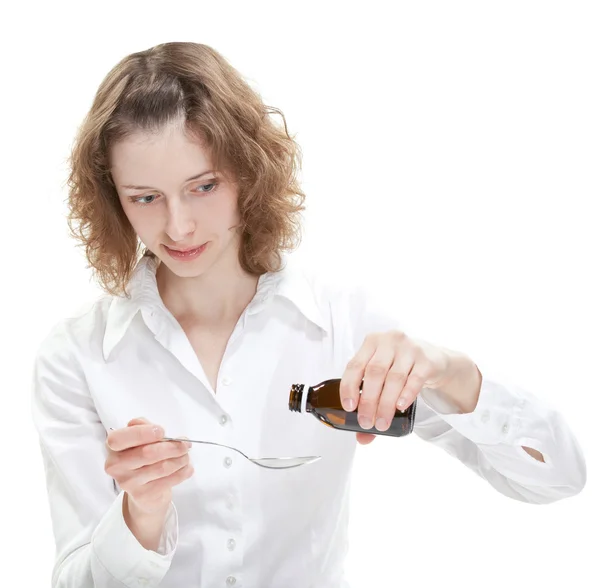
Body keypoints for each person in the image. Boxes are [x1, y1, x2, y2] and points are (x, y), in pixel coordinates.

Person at [31, 42, 586, 588]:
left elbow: (555, 478)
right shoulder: (77, 355)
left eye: (203, 187)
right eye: (145, 198)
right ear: (112, 198)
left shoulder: (342, 320)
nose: (178, 227)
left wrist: (452, 372)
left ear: (248, 169)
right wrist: (141, 517)